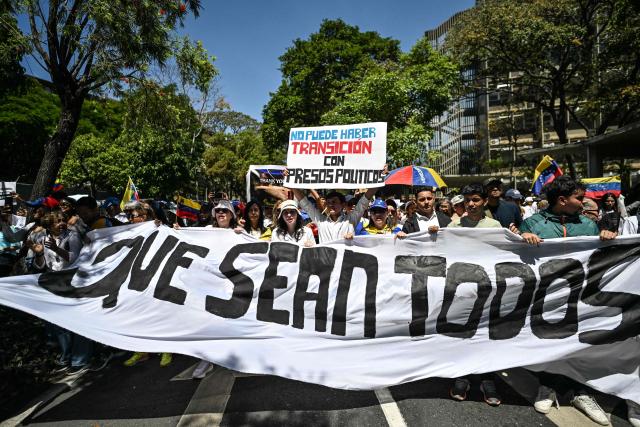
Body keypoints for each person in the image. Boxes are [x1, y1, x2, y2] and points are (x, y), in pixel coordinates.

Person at [519, 176, 615, 425]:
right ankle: (547, 386)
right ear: (562, 200)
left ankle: (581, 392)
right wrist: (523, 237)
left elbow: (601, 257)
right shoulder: (533, 222)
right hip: (546, 297)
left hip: (581, 297)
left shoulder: (588, 225)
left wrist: (607, 237)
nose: (583, 203)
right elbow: (516, 257)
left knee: (579, 344)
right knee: (548, 342)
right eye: (579, 198)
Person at [446, 183, 501, 406]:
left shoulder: (495, 226)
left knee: (487, 335)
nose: (471, 204)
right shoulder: (454, 225)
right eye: (468, 200)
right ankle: (463, 376)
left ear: (485, 201)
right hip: (463, 291)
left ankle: (488, 380)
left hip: (489, 291)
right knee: (464, 333)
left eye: (476, 199)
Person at [191, 199, 237, 379]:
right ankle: (206, 359)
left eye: (225, 211)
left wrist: (243, 235)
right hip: (208, 283)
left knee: (227, 321)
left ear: (232, 215)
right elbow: (184, 237)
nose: (221, 214)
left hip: (230, 284)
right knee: (208, 322)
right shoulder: (205, 232)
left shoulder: (238, 233)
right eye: (218, 211)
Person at [122, 206, 172, 368]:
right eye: (128, 215)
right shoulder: (128, 231)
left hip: (156, 275)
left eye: (133, 215)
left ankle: (166, 349)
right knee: (138, 314)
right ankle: (140, 350)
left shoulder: (159, 229)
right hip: (136, 277)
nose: (130, 219)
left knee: (158, 312)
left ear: (144, 217)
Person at [291, 187, 379, 243]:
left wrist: (380, 178)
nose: (331, 205)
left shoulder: (351, 219)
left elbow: (365, 199)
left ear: (343, 204)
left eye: (334, 202)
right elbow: (305, 203)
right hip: (327, 268)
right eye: (328, 203)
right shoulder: (320, 220)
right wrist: (291, 183)